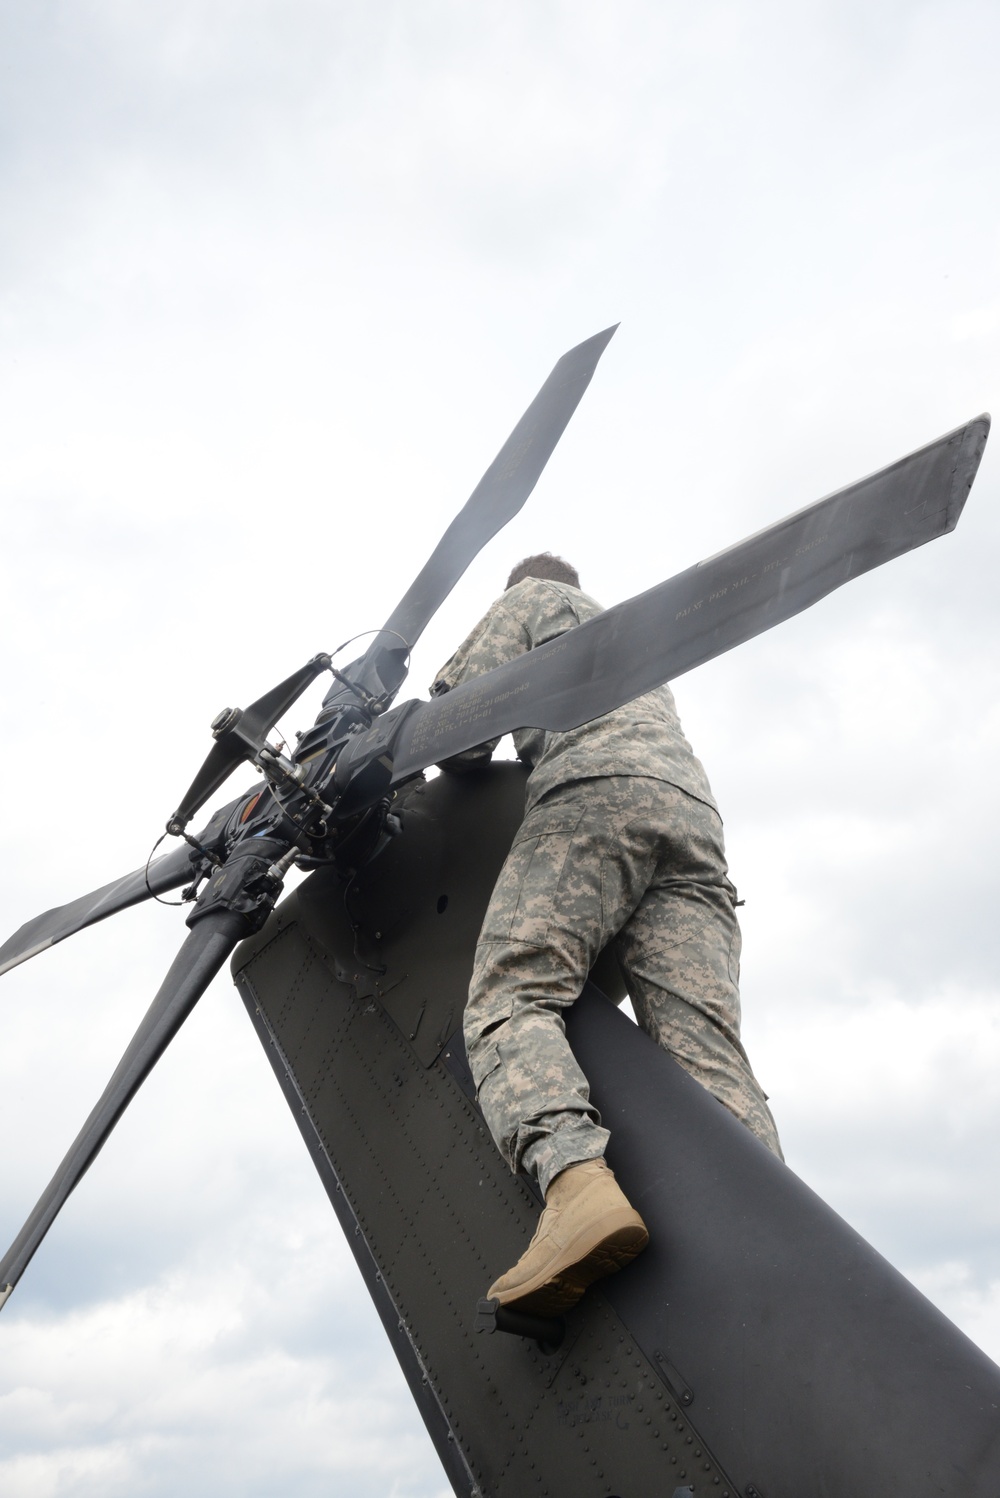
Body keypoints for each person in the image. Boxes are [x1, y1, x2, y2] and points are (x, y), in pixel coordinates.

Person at [430, 553, 782, 1316]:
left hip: (596, 793)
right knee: (705, 1049)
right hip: (693, 821)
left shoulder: (533, 598)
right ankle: (772, 1224)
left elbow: (456, 732)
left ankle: (574, 1185)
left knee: (511, 992)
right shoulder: (637, 647)